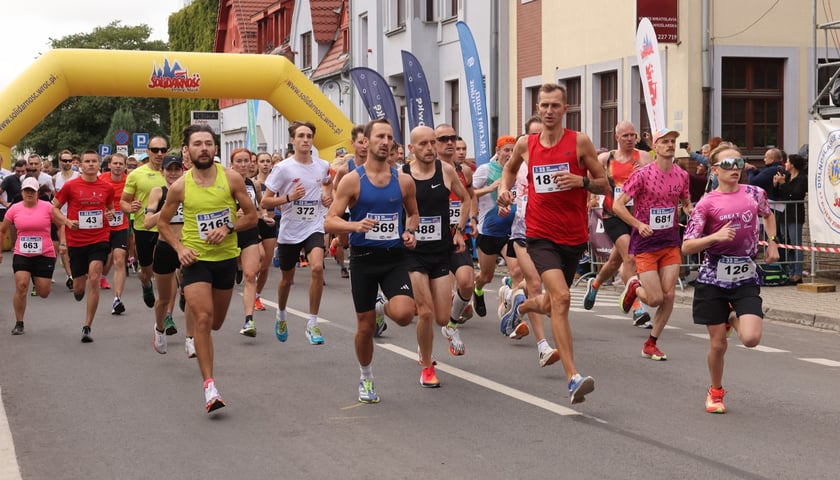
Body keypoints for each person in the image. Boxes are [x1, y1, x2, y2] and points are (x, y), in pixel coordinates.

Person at [497, 83, 608, 404]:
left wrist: (581, 181)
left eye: (554, 106)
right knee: (560, 299)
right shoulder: (526, 144)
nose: (548, 111)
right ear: (537, 108)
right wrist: (505, 190)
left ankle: (524, 305)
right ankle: (573, 377)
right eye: (543, 105)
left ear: (565, 108)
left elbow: (605, 183)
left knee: (549, 302)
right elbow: (509, 169)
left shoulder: (580, 142)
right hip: (539, 234)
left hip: (573, 235)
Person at [157, 125, 257, 413]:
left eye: (208, 143)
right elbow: (163, 223)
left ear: (215, 148)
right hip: (195, 260)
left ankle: (200, 331)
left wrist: (227, 227)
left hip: (226, 259)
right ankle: (210, 387)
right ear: (188, 151)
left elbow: (251, 216)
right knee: (203, 319)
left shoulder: (232, 178)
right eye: (197, 144)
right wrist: (180, 249)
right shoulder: (180, 186)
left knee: (215, 323)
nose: (204, 148)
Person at [324, 119, 419, 404]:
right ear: (366, 141)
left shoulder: (403, 180)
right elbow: (330, 221)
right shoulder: (353, 180)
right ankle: (366, 377)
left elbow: (413, 213)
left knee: (404, 314)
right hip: (364, 259)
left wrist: (410, 230)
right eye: (379, 136)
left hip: (394, 258)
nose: (385, 141)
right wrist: (354, 227)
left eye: (390, 137)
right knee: (364, 328)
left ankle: (383, 307)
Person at [682, 144, 780, 413]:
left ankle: (733, 317)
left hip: (745, 277)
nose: (734, 168)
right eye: (727, 164)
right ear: (714, 170)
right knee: (718, 344)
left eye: (738, 162)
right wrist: (714, 237)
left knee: (751, 339)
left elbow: (769, 217)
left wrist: (772, 243)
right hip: (713, 280)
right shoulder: (707, 203)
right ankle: (715, 391)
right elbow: (687, 246)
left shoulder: (754, 193)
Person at [612, 127, 692, 361]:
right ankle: (634, 286)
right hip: (646, 242)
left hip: (669, 242)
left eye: (672, 141)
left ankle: (651, 342)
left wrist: (691, 210)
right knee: (655, 298)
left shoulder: (681, 175)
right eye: (664, 141)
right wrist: (637, 224)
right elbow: (618, 205)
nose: (669, 145)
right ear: (655, 147)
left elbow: (685, 201)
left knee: (669, 296)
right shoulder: (643, 175)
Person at [403, 125, 468, 386]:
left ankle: (426, 342)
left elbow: (466, 200)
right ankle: (427, 366)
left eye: (433, 143)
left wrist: (459, 230)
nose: (430, 148)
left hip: (440, 251)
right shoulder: (403, 175)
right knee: (426, 312)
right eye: (423, 144)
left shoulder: (447, 170)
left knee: (442, 317)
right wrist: (405, 232)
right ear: (411, 149)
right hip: (414, 254)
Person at [261, 121, 333, 344]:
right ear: (293, 140)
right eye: (301, 136)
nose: (305, 140)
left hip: (314, 225)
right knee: (287, 279)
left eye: (309, 136)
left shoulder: (322, 165)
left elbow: (328, 184)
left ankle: (313, 323)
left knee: (318, 268)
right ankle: (281, 313)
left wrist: (326, 197)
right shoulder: (283, 168)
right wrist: (289, 198)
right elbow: (265, 201)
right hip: (291, 229)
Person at [501, 115, 562, 364]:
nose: (540, 138)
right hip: (523, 232)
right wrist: (503, 197)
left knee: (556, 293)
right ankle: (543, 346)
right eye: (534, 135)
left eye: (543, 133)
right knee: (535, 284)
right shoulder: (520, 163)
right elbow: (505, 179)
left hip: (552, 233)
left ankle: (516, 300)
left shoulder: (559, 161)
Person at [581, 121, 653, 326]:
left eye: (633, 135)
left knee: (615, 261)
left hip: (637, 214)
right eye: (625, 136)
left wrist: (645, 173)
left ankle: (594, 284)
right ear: (617, 138)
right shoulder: (606, 158)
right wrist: (592, 197)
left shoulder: (645, 157)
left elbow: (655, 180)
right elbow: (590, 177)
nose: (630, 139)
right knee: (630, 258)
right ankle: (638, 307)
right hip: (613, 214)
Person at [52, 150, 116, 343]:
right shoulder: (70, 187)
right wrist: (66, 221)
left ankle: (87, 325)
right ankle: (79, 292)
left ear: (98, 164)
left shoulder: (107, 188)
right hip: (77, 241)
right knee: (80, 287)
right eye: (87, 161)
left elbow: (110, 208)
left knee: (94, 277)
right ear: (80, 165)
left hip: (99, 238)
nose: (90, 164)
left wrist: (110, 214)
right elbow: (54, 207)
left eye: (93, 161)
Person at [0, 177, 65, 335]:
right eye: (26, 191)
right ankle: (19, 322)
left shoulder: (47, 207)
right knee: (21, 286)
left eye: (32, 191)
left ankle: (37, 277)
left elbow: (61, 225)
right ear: (22, 192)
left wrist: (62, 242)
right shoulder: (14, 209)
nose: (29, 194)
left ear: (37, 193)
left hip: (45, 253)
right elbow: (2, 230)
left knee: (43, 292)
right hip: (22, 253)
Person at [145, 155, 194, 355]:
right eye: (169, 169)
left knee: (192, 295)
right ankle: (159, 329)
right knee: (163, 299)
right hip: (165, 247)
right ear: (162, 172)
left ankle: (190, 338)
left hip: (188, 246)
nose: (173, 173)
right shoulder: (158, 192)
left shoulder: (189, 190)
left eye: (177, 169)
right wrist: (167, 208)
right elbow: (148, 222)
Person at [472, 136, 519, 318]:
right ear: (498, 151)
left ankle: (511, 313)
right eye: (506, 150)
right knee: (486, 276)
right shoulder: (486, 170)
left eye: (513, 150)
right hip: (489, 231)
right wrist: (491, 188)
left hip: (511, 231)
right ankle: (478, 290)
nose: (509, 154)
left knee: (516, 271)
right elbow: (468, 193)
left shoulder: (519, 171)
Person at [434, 125, 476, 325]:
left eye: (452, 138)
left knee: (467, 282)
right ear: (434, 143)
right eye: (443, 139)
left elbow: (470, 197)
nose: (449, 142)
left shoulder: (465, 171)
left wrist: (471, 220)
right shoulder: (424, 170)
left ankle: (452, 321)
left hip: (457, 234)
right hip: (430, 238)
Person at [120, 137, 168, 310]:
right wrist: (130, 207)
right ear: (148, 152)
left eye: (163, 150)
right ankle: (146, 283)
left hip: (170, 228)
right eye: (155, 150)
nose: (159, 153)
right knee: (147, 271)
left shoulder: (174, 172)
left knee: (167, 270)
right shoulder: (135, 175)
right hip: (144, 227)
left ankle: (167, 310)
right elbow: (123, 202)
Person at [229, 149, 266, 338]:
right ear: (232, 163)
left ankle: (248, 319)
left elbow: (258, 208)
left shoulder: (253, 184)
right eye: (239, 161)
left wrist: (263, 217)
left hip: (249, 233)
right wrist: (234, 215)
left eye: (247, 161)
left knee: (251, 275)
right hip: (229, 234)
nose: (244, 165)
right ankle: (236, 266)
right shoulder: (224, 182)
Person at [98, 153, 130, 315]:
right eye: (115, 163)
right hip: (102, 225)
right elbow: (95, 199)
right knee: (103, 259)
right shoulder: (102, 179)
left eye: (121, 164)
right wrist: (105, 211)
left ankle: (117, 299)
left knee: (119, 259)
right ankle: (100, 277)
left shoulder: (129, 180)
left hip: (120, 225)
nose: (118, 166)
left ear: (125, 166)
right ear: (109, 165)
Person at [773, 154, 808, 283]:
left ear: (793, 164)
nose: (785, 164)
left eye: (787, 162)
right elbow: (780, 195)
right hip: (783, 214)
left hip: (795, 215)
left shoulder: (802, 178)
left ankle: (798, 273)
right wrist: (776, 184)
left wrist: (784, 184)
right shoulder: (786, 177)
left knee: (795, 244)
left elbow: (795, 194)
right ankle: (790, 271)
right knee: (786, 243)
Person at [253, 152, 277, 311]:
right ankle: (248, 277)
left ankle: (257, 295)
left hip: (271, 223)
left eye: (268, 161)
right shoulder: (253, 183)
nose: (265, 164)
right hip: (255, 223)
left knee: (266, 265)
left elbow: (281, 203)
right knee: (259, 256)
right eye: (262, 161)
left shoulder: (277, 183)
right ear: (257, 164)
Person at [53, 150, 79, 287]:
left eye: (69, 161)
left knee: (75, 247)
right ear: (60, 161)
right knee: (63, 248)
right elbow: (54, 198)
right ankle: (70, 276)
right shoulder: (55, 178)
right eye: (65, 161)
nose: (67, 163)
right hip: (61, 217)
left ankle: (77, 272)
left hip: (76, 217)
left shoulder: (78, 176)